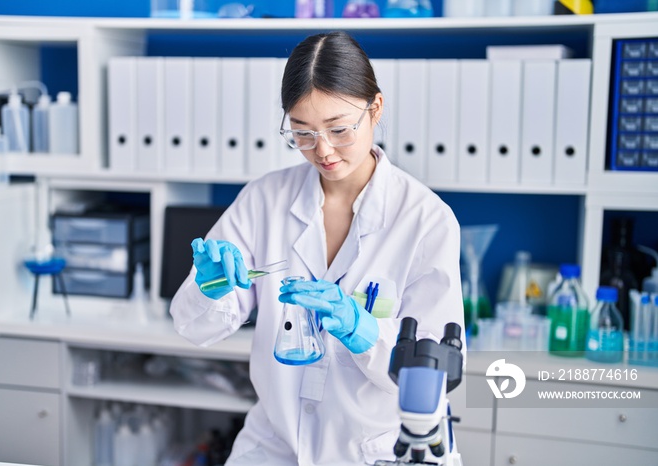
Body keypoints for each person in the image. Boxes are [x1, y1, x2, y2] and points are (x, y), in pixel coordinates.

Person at [170, 31, 465, 465]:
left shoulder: (425, 220)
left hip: (379, 450)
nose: (322, 150)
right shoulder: (263, 200)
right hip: (274, 444)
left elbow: (429, 372)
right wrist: (210, 289)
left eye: (339, 129)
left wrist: (359, 327)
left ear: (375, 109)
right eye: (302, 133)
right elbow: (192, 327)